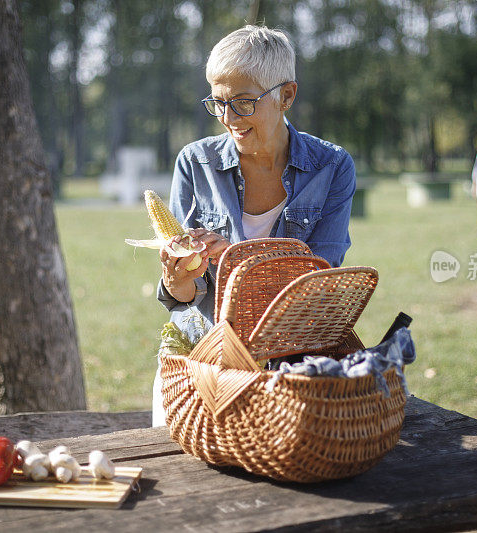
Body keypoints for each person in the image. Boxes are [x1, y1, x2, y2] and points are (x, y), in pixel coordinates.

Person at [152, 25, 356, 425]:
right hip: (201, 361)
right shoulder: (195, 164)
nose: (228, 118)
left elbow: (317, 282)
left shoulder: (332, 167)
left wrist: (234, 258)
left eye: (244, 103)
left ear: (286, 96)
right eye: (218, 102)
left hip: (291, 364)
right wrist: (179, 281)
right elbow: (185, 296)